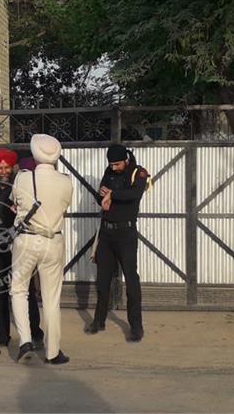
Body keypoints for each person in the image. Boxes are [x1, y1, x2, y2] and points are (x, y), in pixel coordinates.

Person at [10, 134, 73, 365]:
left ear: (34, 154)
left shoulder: (23, 178)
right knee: (51, 298)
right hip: (53, 241)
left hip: (27, 240)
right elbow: (64, 206)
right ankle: (53, 352)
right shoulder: (66, 181)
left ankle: (25, 339)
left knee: (19, 290)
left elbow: (15, 203)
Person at [0, 148, 44, 348]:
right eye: (0, 167)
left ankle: (35, 333)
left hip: (19, 243)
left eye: (7, 167)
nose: (4, 171)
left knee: (27, 290)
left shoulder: (21, 184)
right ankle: (1, 334)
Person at [85, 144, 149, 342]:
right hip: (106, 233)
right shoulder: (109, 171)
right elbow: (100, 197)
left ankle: (136, 327)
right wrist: (102, 194)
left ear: (126, 160)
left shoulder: (138, 172)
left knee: (131, 280)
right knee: (103, 280)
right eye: (111, 164)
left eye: (117, 164)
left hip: (126, 233)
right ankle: (99, 320)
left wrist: (112, 194)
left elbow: (134, 194)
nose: (113, 168)